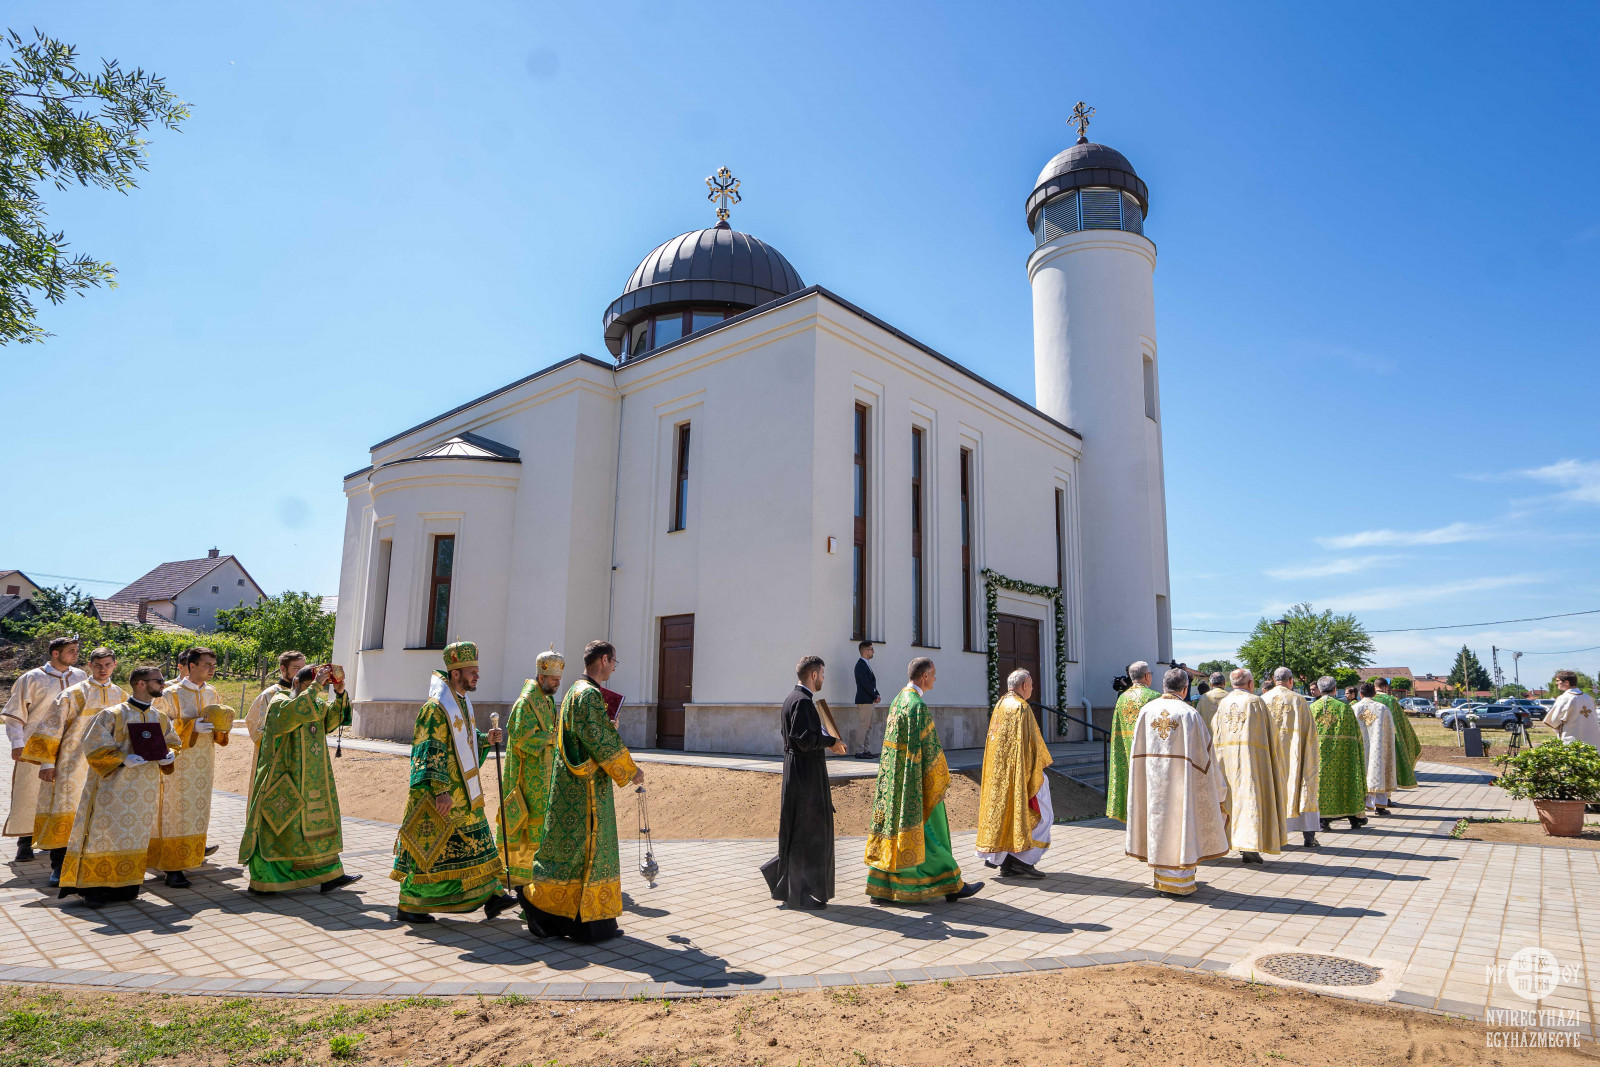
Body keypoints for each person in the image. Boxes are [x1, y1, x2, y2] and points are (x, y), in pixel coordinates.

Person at [526, 640, 643, 941]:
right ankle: (564, 917)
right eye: (615, 662)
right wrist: (630, 770)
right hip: (586, 789)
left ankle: (575, 921)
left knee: (572, 855)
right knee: (586, 851)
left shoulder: (573, 692)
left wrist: (607, 727)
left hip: (571, 786)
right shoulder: (589, 695)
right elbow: (599, 740)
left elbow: (589, 734)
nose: (615, 668)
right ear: (604, 660)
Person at [392, 641, 516, 923]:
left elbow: (464, 739)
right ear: (456, 673)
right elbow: (428, 749)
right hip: (443, 793)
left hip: (466, 793)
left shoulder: (461, 701)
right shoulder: (435, 708)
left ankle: (492, 896)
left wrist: (486, 739)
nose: (477, 676)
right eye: (472, 671)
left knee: (479, 843)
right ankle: (411, 904)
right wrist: (441, 791)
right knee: (431, 850)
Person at [57, 666, 179, 907]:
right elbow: (92, 745)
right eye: (159, 681)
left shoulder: (160, 716)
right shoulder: (112, 714)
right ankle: (93, 888)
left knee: (135, 835)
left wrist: (170, 755)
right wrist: (122, 759)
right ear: (141, 684)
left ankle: (127, 884)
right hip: (111, 788)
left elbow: (173, 742)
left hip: (145, 789)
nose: (164, 684)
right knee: (104, 834)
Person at [865, 658, 982, 904]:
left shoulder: (898, 700)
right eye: (934, 675)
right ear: (925, 676)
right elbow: (929, 749)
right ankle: (951, 883)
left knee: (894, 831)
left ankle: (883, 888)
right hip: (915, 780)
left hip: (894, 781)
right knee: (932, 831)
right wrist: (940, 775)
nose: (936, 679)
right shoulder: (917, 706)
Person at [239, 663, 361, 894]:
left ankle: (329, 875)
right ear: (296, 682)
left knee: (320, 825)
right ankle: (268, 879)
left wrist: (340, 693)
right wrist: (315, 687)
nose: (313, 693)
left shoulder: (314, 702)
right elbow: (294, 712)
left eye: (315, 689)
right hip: (285, 777)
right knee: (283, 827)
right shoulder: (279, 702)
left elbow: (332, 721)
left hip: (316, 778)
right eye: (308, 688)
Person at [19, 647, 123, 886]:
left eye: (107, 664)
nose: (103, 669)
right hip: (72, 765)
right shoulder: (73, 693)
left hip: (107, 766)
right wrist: (47, 762)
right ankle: (58, 867)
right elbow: (51, 727)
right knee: (66, 815)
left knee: (100, 815)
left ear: (114, 665)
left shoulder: (121, 695)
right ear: (90, 666)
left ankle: (91, 864)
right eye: (98, 665)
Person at [1125, 667, 1230, 895]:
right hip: (1182, 785)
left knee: (1159, 827)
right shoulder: (1188, 714)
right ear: (1185, 689)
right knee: (1181, 826)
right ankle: (1179, 883)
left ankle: (1163, 880)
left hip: (1153, 785)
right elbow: (1206, 759)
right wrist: (1220, 791)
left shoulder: (1147, 711)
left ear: (1164, 686)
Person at [761, 655, 846, 909]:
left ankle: (797, 889)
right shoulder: (803, 702)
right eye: (822, 673)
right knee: (805, 831)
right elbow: (803, 739)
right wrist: (831, 742)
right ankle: (799, 893)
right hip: (805, 773)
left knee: (800, 828)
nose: (823, 678)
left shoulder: (793, 699)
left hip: (797, 769)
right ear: (813, 675)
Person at [149, 647, 228, 887]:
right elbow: (156, 726)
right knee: (175, 811)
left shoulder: (213, 692)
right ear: (191, 666)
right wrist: (191, 727)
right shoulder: (169, 694)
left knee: (198, 810)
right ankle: (172, 867)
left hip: (204, 762)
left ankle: (192, 857)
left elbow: (218, 725)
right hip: (177, 762)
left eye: (214, 665)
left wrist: (221, 727)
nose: (212, 669)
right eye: (206, 664)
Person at [3, 636, 87, 862]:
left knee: (65, 792)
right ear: (55, 653)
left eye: (76, 650)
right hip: (34, 745)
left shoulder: (81, 677)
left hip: (71, 746)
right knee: (29, 791)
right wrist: (17, 744)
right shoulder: (31, 678)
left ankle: (57, 838)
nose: (75, 654)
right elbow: (15, 714)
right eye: (71, 650)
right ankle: (25, 841)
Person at [974, 669, 1053, 879]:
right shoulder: (1022, 708)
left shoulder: (1000, 705)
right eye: (1032, 685)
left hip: (1001, 775)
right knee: (1043, 816)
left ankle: (1006, 862)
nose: (1033, 689)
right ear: (1024, 686)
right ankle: (1022, 861)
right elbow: (1031, 746)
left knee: (1009, 817)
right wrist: (1037, 770)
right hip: (1020, 774)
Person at [498, 648, 566, 890]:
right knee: (528, 826)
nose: (557, 684)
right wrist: (550, 738)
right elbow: (519, 736)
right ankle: (522, 880)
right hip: (527, 777)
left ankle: (540, 877)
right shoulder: (525, 702)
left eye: (559, 679)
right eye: (554, 680)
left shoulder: (547, 700)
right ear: (541, 677)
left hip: (546, 774)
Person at [1211, 668, 1286, 863]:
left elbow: (1215, 733)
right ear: (1251, 684)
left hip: (1226, 763)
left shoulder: (1224, 703)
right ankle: (1250, 846)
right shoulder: (1255, 702)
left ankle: (1226, 844)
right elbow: (1272, 736)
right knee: (1250, 801)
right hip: (1253, 764)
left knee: (1232, 803)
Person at [1263, 667, 1321, 849]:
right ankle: (1309, 837)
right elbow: (1310, 734)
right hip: (1294, 755)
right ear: (1291, 680)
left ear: (1273, 679)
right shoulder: (1298, 700)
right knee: (1302, 787)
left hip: (1269, 756)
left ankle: (1272, 838)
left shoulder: (1262, 700)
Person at [244, 650, 306, 799]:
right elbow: (253, 724)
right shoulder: (270, 694)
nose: (301, 673)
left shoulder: (305, 694)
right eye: (297, 668)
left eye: (303, 669)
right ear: (283, 669)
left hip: (297, 755)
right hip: (274, 756)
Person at [1310, 676, 1368, 831]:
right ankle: (1354, 818)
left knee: (1321, 784)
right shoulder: (1344, 708)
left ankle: (1323, 820)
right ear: (1335, 689)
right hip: (1343, 756)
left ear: (1320, 690)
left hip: (1319, 756)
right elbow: (1356, 736)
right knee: (1346, 783)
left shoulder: (1312, 708)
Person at [1105, 661, 1159, 822]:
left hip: (1127, 751)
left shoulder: (1122, 698)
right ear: (1147, 676)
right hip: (1148, 752)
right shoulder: (1154, 697)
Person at [1352, 682, 1397, 815]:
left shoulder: (1354, 708)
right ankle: (1380, 806)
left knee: (1361, 773)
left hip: (1359, 748)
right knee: (1378, 772)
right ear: (1374, 694)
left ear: (1360, 694)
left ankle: (1360, 805)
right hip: (1378, 748)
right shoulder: (1382, 708)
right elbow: (1390, 730)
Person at [1372, 678, 1420, 792]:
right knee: (1387, 767)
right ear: (1385, 688)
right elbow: (1400, 721)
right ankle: (1385, 798)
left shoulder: (1369, 699)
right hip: (1388, 738)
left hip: (1371, 738)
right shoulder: (1391, 700)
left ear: (1375, 687)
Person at [1546, 670, 1599, 747]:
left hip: (1571, 739)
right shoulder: (1589, 697)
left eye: (1558, 681)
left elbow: (1553, 720)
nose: (1556, 683)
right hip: (1592, 740)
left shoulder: (1564, 698)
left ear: (1566, 682)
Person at [853, 641, 881, 759]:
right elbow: (865, 684)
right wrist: (874, 696)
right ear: (865, 651)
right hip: (865, 700)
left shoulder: (866, 664)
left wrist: (877, 694)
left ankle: (865, 750)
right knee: (864, 725)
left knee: (869, 726)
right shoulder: (860, 665)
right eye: (871, 649)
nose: (873, 651)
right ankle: (859, 751)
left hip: (869, 700)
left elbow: (871, 683)